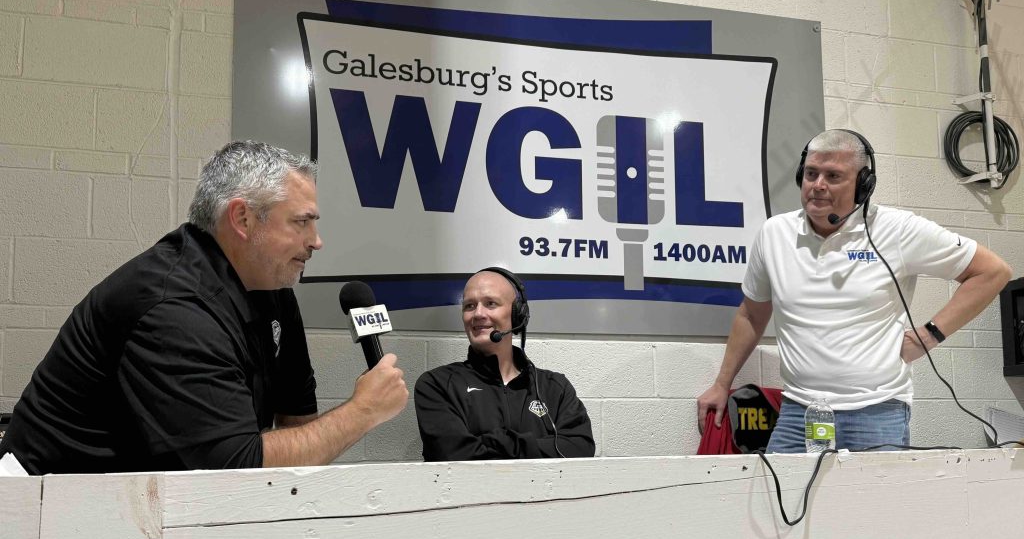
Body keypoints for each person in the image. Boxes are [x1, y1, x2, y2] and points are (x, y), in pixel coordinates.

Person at [0, 141, 409, 474]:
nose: (317, 240)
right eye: (301, 222)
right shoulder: (173, 306)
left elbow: (296, 427)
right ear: (243, 220)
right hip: (47, 508)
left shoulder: (273, 286)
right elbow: (233, 465)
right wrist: (362, 412)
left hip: (149, 505)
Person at [697, 129, 1011, 452]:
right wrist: (722, 384)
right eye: (810, 174)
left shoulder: (897, 230)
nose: (818, 185)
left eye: (833, 176)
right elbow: (751, 314)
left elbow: (992, 272)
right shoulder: (774, 234)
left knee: (873, 505)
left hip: (877, 413)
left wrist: (928, 335)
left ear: (864, 185)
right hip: (799, 412)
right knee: (784, 503)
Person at [414, 267, 595, 460]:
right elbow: (452, 454)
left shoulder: (555, 388)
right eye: (469, 306)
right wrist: (539, 445)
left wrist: (492, 444)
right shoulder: (437, 385)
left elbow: (580, 449)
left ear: (517, 314)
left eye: (490, 304)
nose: (477, 314)